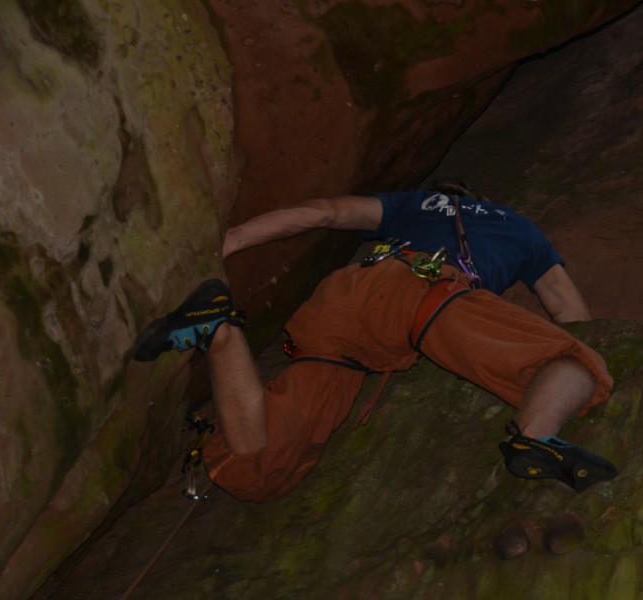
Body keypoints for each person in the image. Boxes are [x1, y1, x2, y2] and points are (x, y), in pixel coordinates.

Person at [133, 182, 618, 502]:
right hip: (418, 293)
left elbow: (325, 212)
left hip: (341, 310)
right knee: (577, 364)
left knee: (259, 470)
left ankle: (218, 331)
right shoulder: (523, 230)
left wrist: (231, 240)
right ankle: (534, 439)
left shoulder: (412, 203)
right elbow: (570, 314)